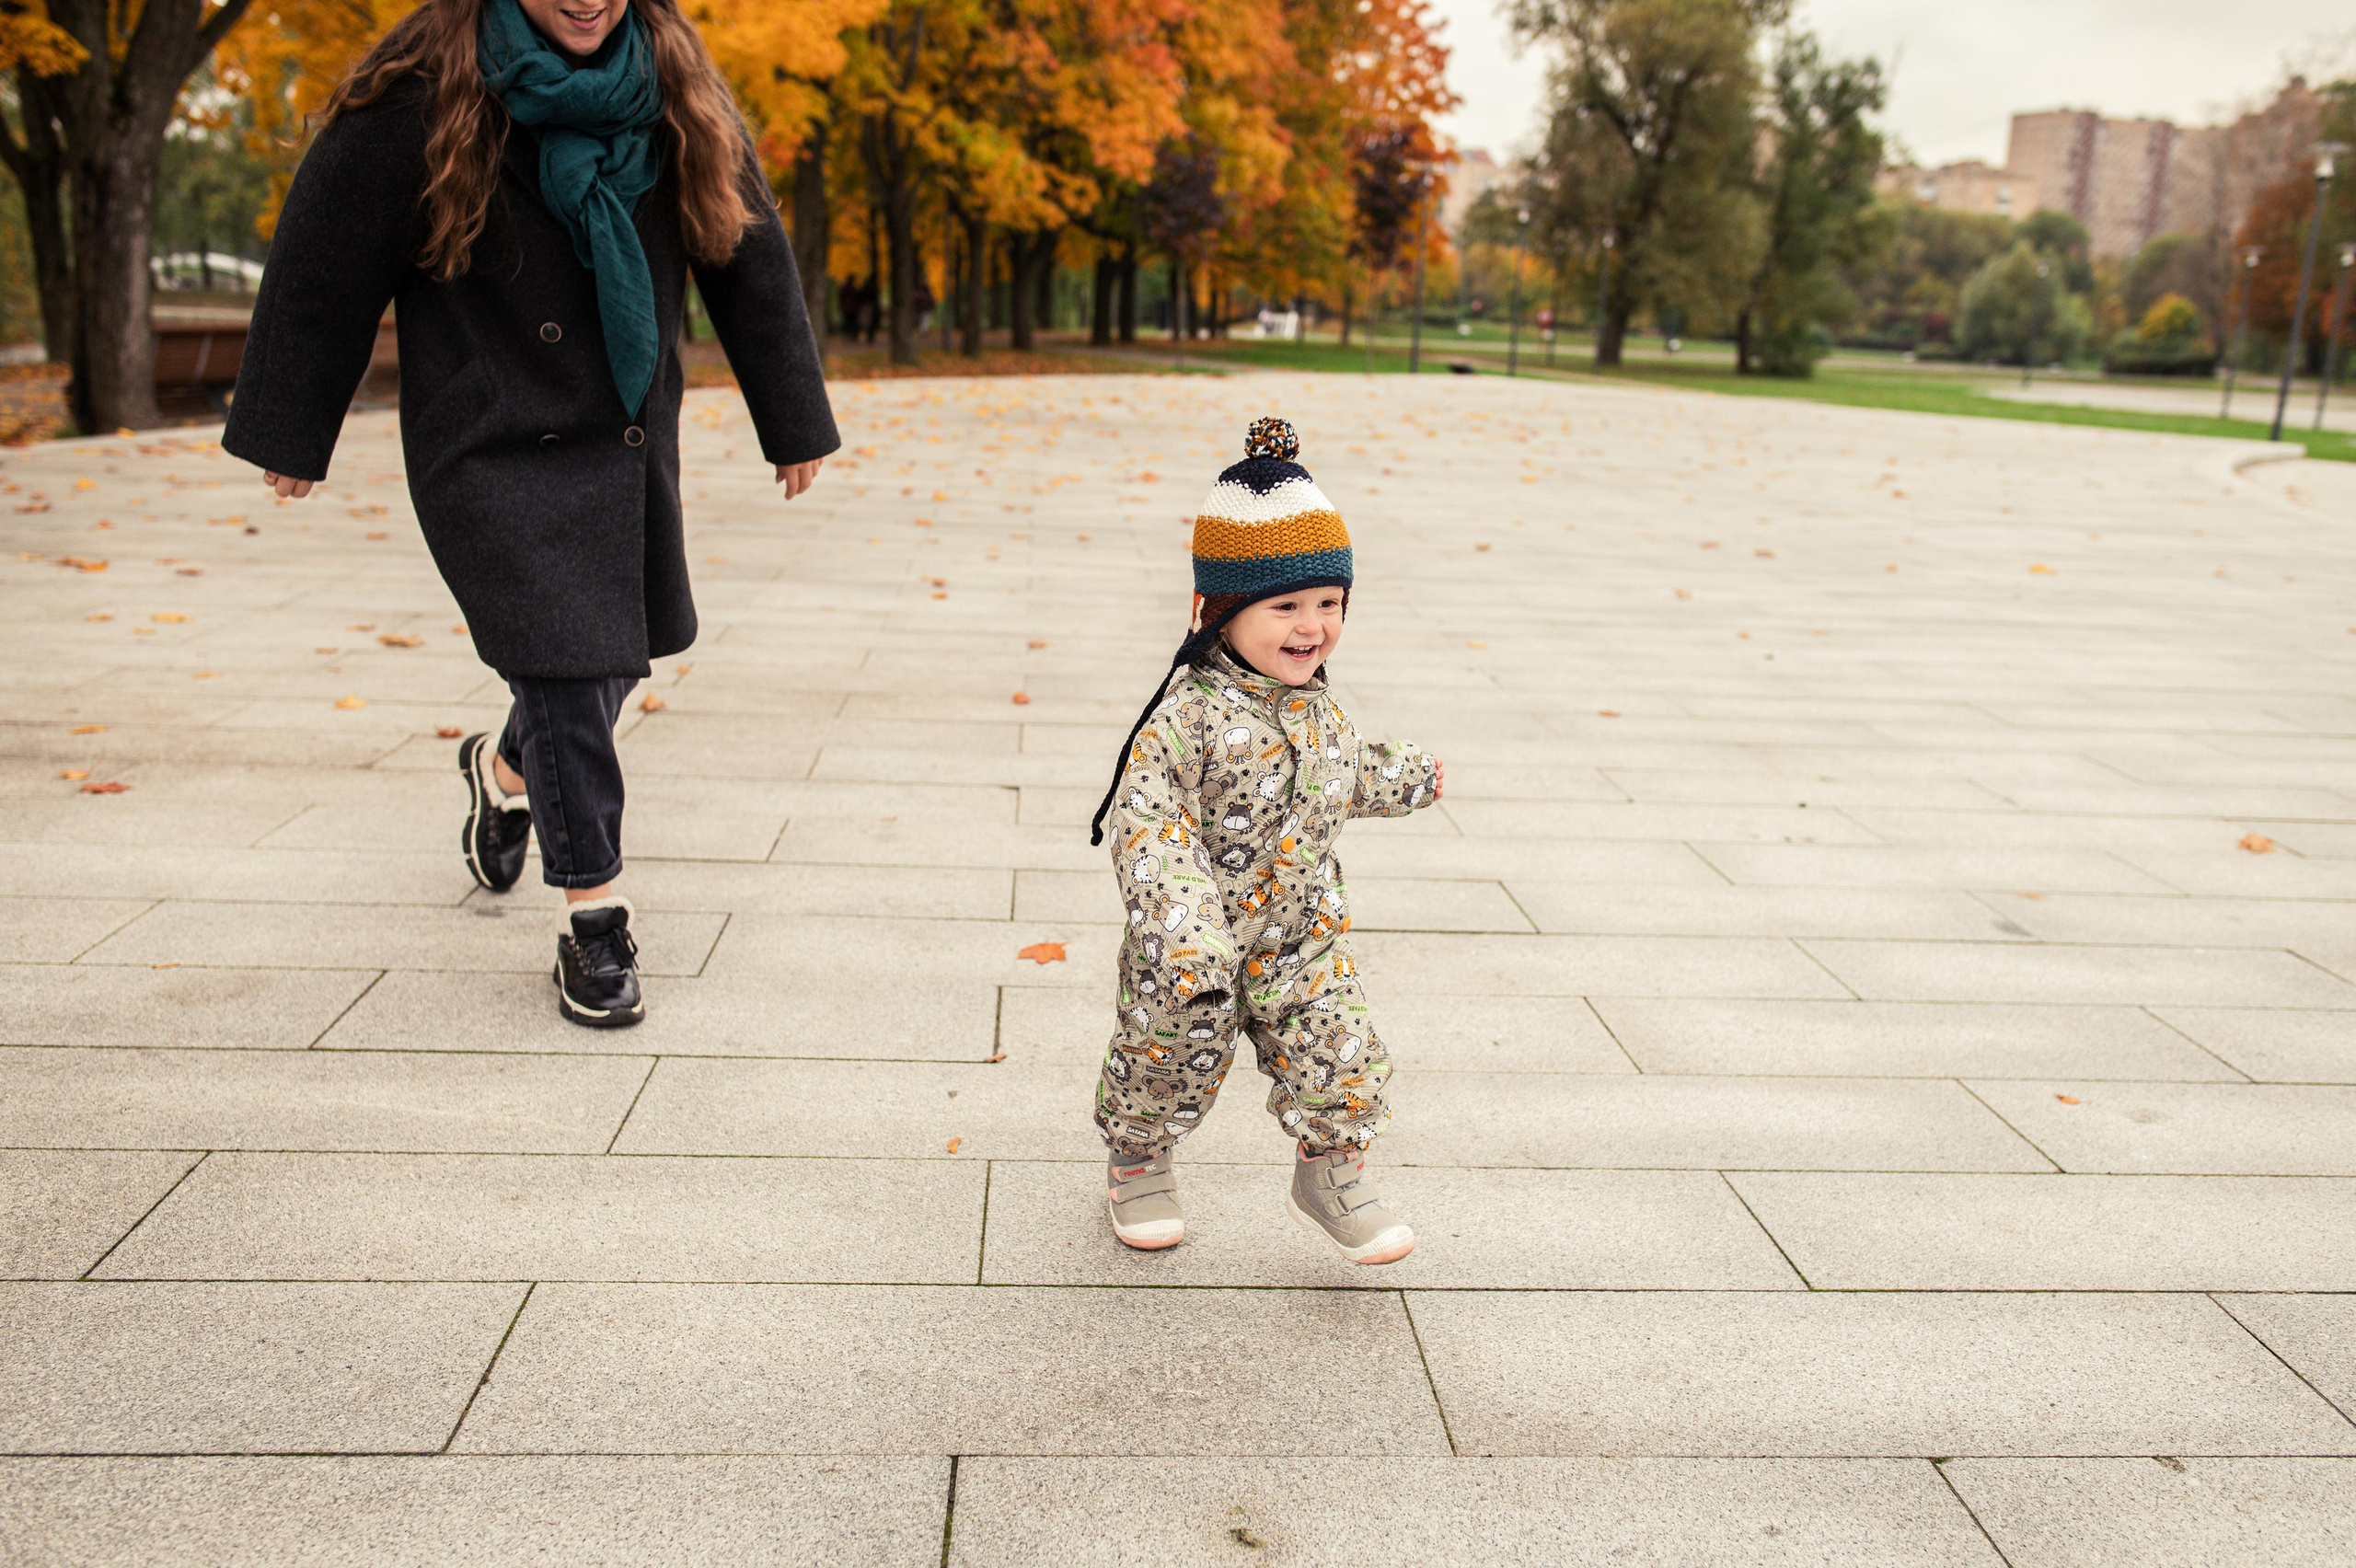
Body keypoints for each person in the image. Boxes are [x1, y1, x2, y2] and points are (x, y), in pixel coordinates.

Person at [222, 0, 837, 1029]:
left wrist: (793, 418)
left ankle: (505, 768)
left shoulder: (671, 80)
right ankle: (594, 918)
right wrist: (291, 425)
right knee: (565, 662)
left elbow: (746, 252)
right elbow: (326, 253)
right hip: (488, 427)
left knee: (601, 660)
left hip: (620, 426)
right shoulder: (425, 86)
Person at [1083, 417, 1443, 1265]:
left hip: (1300, 942)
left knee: (1341, 1053)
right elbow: (1150, 828)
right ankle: (1138, 1159)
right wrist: (1183, 928)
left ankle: (1332, 1173)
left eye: (1329, 604)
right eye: (1284, 606)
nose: (1311, 626)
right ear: (1219, 612)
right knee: (1163, 1058)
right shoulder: (1185, 720)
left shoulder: (1319, 708)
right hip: (1194, 953)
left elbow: (1338, 773)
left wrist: (1404, 776)